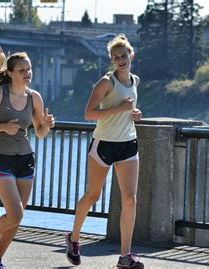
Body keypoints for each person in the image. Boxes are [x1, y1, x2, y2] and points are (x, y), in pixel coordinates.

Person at [0, 47, 55, 269]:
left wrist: (46, 125)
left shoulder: (34, 97)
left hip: (25, 159)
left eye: (29, 69)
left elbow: (39, 132)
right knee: (14, 212)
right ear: (10, 73)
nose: (27, 74)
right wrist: (2, 127)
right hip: (2, 159)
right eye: (21, 70)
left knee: (17, 217)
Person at [66, 34, 144, 269]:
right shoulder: (106, 82)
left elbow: (127, 109)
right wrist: (120, 108)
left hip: (128, 144)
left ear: (131, 55)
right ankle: (74, 238)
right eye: (116, 57)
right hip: (104, 145)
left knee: (130, 199)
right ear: (111, 60)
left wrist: (134, 114)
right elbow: (89, 114)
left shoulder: (135, 80)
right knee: (93, 195)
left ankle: (125, 256)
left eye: (124, 55)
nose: (121, 60)